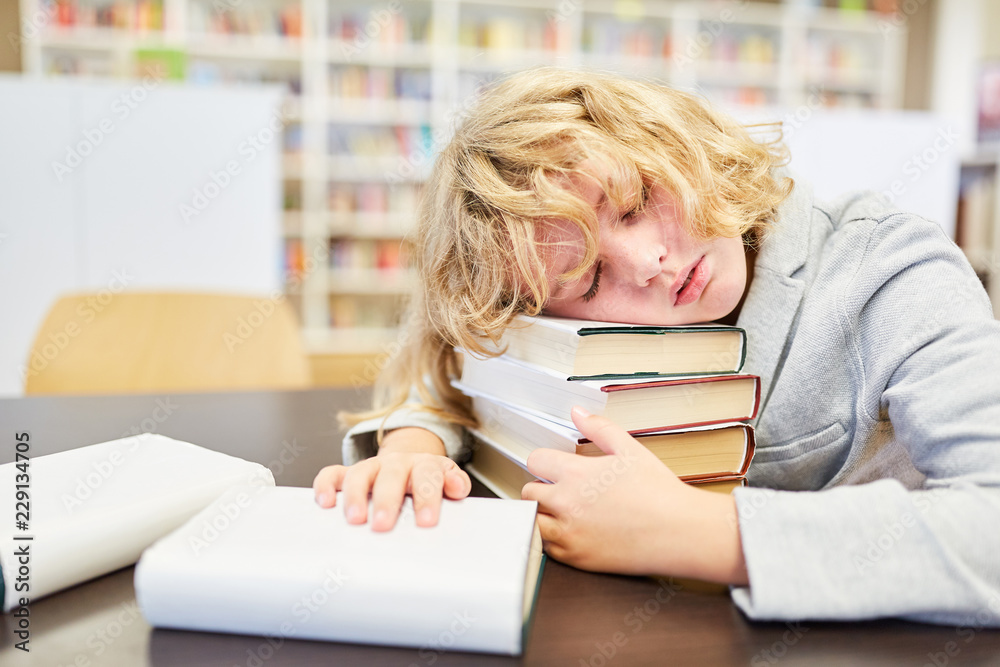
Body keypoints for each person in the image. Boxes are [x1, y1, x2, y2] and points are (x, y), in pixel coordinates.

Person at [312, 68, 1000, 625]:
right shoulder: (578, 337)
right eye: (589, 279)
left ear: (676, 140)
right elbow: (472, 375)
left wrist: (707, 532)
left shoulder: (888, 263)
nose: (648, 262)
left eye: (637, 200)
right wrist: (414, 444)